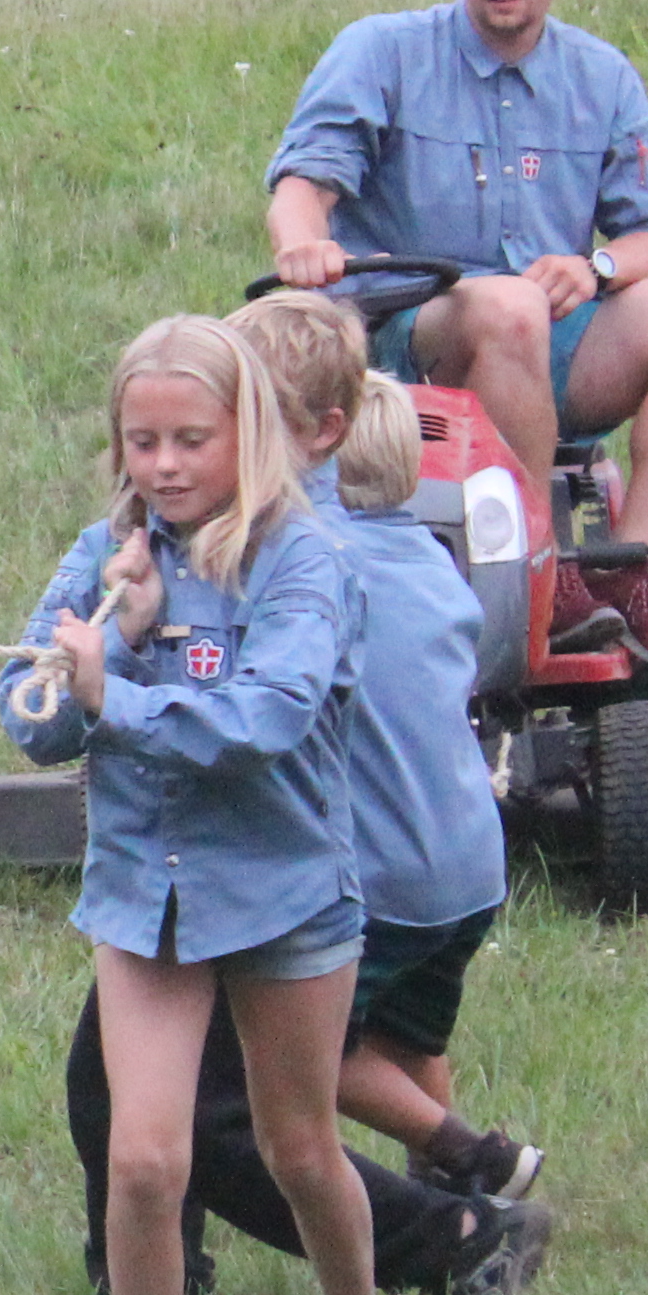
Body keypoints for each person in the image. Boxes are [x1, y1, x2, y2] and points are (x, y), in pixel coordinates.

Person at [2, 318, 395, 1295]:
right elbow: (25, 722)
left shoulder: (305, 561)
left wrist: (115, 699)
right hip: (145, 898)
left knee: (299, 1148)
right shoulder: (105, 554)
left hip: (284, 894)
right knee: (143, 1158)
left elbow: (269, 720)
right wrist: (108, 645)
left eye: (190, 439)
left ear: (250, 433)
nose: (163, 466)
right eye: (141, 442)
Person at [264, 0, 648, 663]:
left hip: (553, 340)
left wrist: (598, 271)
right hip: (405, 349)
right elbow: (303, 182)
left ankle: (630, 569)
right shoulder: (381, 51)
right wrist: (301, 241)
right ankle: (540, 573)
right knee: (505, 303)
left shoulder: (600, 75)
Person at [232, 291, 549, 1216]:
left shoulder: (304, 567)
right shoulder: (431, 569)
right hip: (471, 870)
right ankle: (468, 1210)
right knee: (413, 1040)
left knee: (294, 1053)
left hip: (384, 881)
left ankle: (467, 1155)